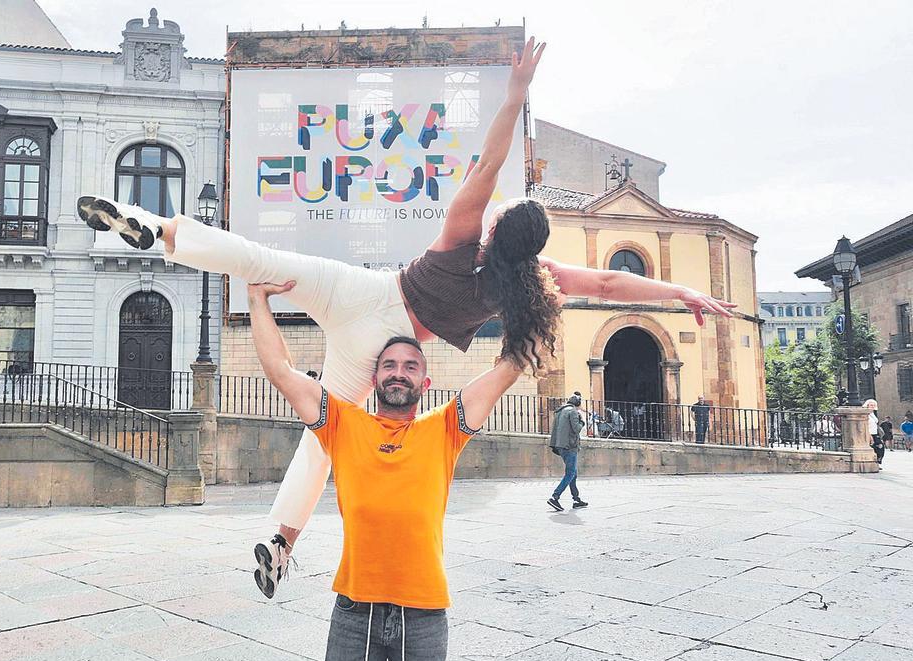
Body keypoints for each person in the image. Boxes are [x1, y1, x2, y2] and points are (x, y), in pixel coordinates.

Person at [77, 38, 734, 598]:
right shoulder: (529, 284)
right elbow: (610, 281)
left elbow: (492, 157)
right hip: (378, 343)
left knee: (258, 257)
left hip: (360, 292)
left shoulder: (459, 232)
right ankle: (280, 542)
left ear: (496, 226)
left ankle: (157, 228)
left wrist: (513, 94)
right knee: (322, 436)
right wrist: (682, 293)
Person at [245, 279, 524, 661]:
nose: (398, 373)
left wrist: (524, 301)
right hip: (354, 609)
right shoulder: (342, 423)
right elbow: (280, 370)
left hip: (424, 609)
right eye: (388, 365)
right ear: (374, 379)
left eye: (410, 367)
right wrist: (257, 298)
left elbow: (508, 369)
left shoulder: (445, 428)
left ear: (424, 384)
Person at [547, 392, 586, 511]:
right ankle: (555, 497)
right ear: (577, 403)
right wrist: (582, 421)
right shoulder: (573, 411)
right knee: (570, 473)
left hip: (560, 445)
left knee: (573, 474)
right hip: (570, 446)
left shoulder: (560, 411)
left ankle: (576, 499)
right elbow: (576, 429)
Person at [864, 399, 883, 466]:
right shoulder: (866, 414)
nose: (872, 406)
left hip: (875, 433)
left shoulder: (872, 413)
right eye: (871, 405)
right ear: (867, 405)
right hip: (870, 434)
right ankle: (874, 463)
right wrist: (869, 436)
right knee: (874, 448)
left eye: (874, 405)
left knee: (880, 447)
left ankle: (878, 462)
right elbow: (866, 425)